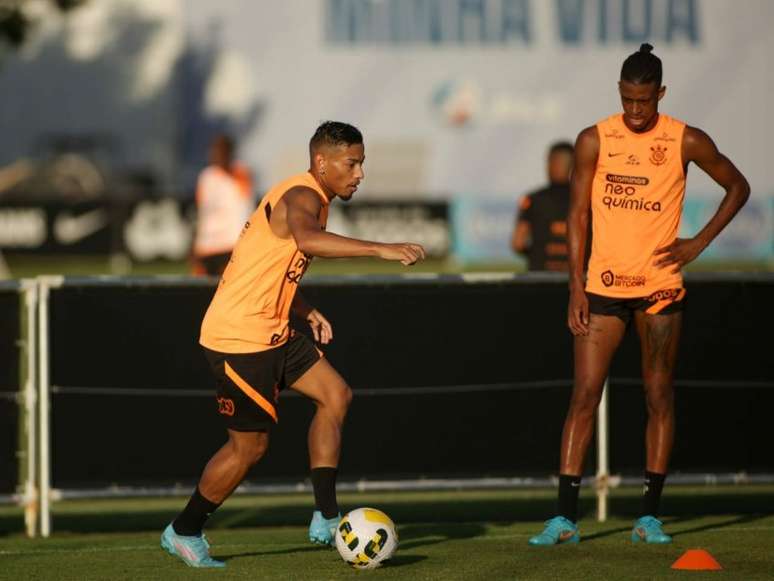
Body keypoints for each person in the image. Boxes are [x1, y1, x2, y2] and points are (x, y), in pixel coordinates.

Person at [161, 121, 425, 568]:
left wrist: (305, 310)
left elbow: (272, 262)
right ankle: (184, 530)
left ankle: (325, 516)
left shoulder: (314, 198)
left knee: (336, 394)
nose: (359, 173)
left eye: (362, 163)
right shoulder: (303, 197)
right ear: (321, 162)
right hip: (238, 339)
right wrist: (381, 249)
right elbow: (308, 241)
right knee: (250, 448)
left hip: (274, 329)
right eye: (352, 163)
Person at [529, 44, 749, 546]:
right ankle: (564, 517)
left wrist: (699, 242)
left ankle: (649, 516)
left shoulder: (685, 139)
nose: (635, 110)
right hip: (602, 289)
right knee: (584, 394)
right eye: (627, 99)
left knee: (658, 396)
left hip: (660, 291)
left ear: (661, 94)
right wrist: (576, 288)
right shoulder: (594, 140)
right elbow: (578, 216)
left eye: (644, 101)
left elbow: (738, 185)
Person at [191, 133, 254, 276]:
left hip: (232, 243)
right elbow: (203, 214)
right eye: (214, 151)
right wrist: (196, 245)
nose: (216, 155)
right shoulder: (206, 177)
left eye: (221, 151)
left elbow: (245, 207)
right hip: (208, 246)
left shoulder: (241, 174)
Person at [511, 141, 574, 271]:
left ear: (552, 163)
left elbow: (517, 243)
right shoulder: (588, 200)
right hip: (577, 279)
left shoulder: (532, 200)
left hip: (541, 277)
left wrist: (536, 255)